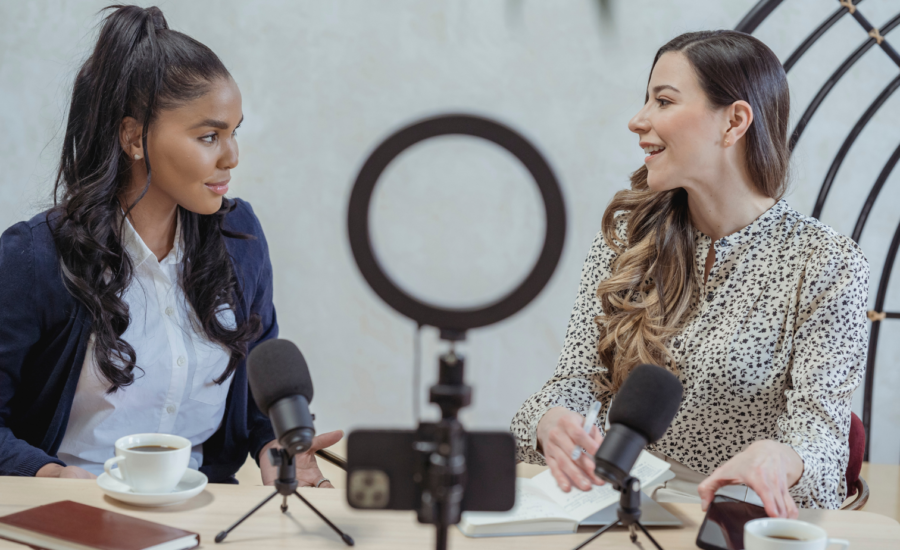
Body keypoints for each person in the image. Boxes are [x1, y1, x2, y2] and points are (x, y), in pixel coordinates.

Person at [510, 30, 869, 518]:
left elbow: (822, 434)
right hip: (614, 508)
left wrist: (783, 458)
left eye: (663, 101)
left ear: (735, 121)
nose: (638, 120)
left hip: (735, 520)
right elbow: (579, 378)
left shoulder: (827, 263)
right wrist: (550, 420)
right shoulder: (627, 236)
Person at [0, 5, 339, 487]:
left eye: (233, 131)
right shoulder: (34, 258)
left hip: (202, 513)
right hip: (73, 513)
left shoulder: (239, 240)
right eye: (209, 136)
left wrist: (275, 446)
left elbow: (259, 386)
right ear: (134, 138)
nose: (232, 156)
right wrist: (49, 474)